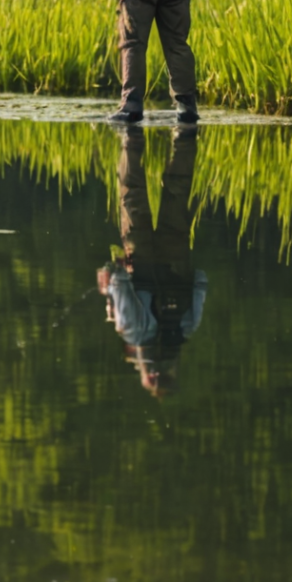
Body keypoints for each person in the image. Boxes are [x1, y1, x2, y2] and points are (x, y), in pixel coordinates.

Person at [97, 127, 208, 399]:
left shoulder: (186, 328)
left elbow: (201, 281)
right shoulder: (134, 334)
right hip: (140, 256)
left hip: (175, 255)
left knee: (178, 190)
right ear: (149, 373)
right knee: (132, 192)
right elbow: (121, 284)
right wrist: (109, 278)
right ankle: (131, 134)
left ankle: (185, 134)